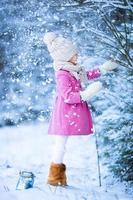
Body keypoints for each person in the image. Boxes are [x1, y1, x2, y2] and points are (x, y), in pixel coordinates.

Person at [43, 32, 118, 187]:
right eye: (73, 54)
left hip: (70, 111)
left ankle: (57, 177)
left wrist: (103, 69)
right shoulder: (62, 74)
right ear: (65, 56)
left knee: (61, 144)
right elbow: (68, 96)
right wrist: (87, 93)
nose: (77, 55)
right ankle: (54, 177)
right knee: (60, 144)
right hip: (65, 112)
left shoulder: (73, 69)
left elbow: (86, 76)